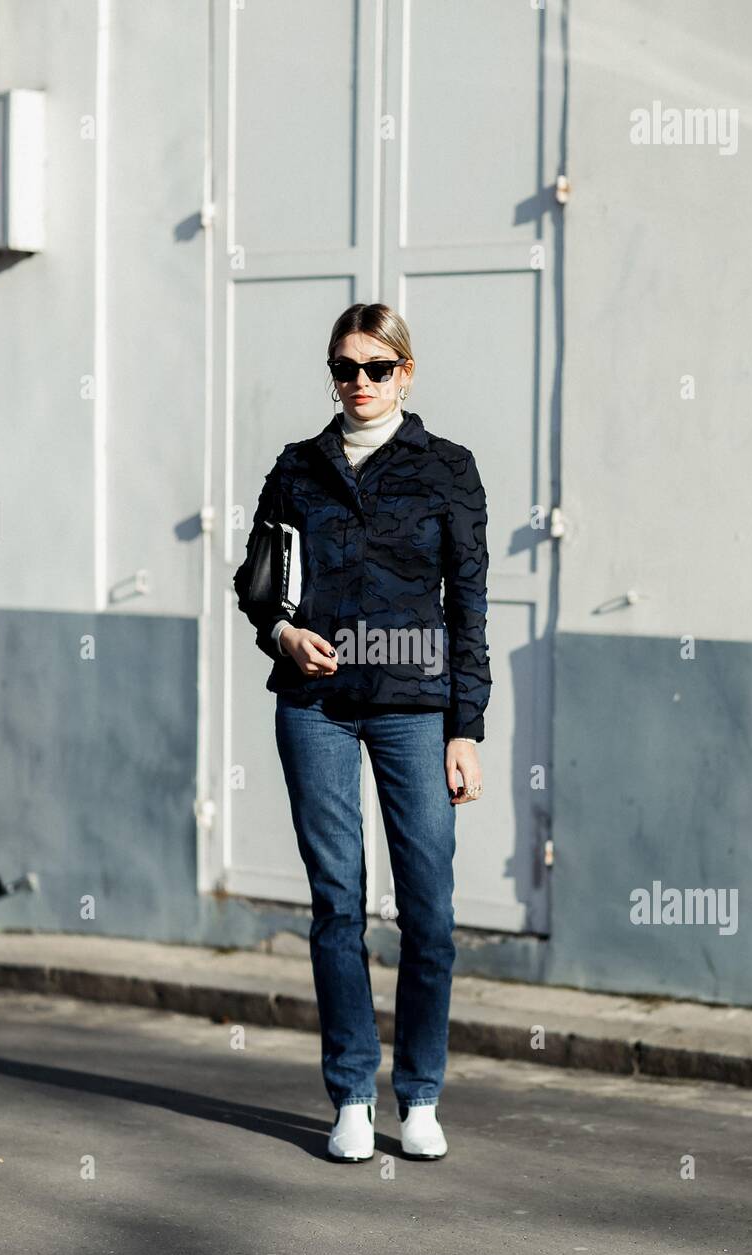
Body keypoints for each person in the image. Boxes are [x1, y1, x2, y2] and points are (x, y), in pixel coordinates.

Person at [235, 303, 491, 1161]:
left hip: (416, 708)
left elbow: (469, 610)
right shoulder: (298, 469)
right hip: (314, 705)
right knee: (336, 904)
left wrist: (469, 729)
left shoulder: (447, 469)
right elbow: (258, 581)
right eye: (346, 366)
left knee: (430, 911)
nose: (360, 382)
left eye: (377, 367)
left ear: (405, 373)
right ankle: (351, 1095)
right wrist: (281, 632)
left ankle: (418, 1096)